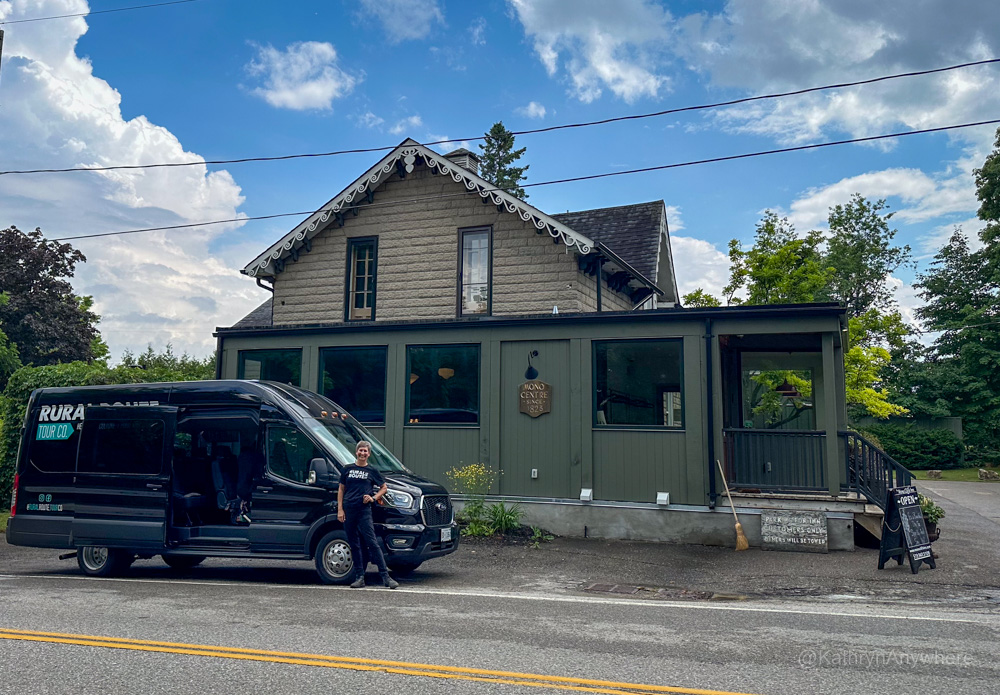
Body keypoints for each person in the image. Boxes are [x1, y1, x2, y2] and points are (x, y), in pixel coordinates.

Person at [338, 441, 398, 589]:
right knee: (354, 544)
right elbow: (340, 490)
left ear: (369, 454)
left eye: (365, 451)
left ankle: (386, 577)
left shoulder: (372, 471)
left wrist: (373, 497)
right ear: (356, 452)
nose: (363, 453)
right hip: (349, 510)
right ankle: (360, 577)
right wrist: (340, 509)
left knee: (372, 543)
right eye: (360, 451)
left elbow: (384, 488)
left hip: (364, 511)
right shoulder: (347, 469)